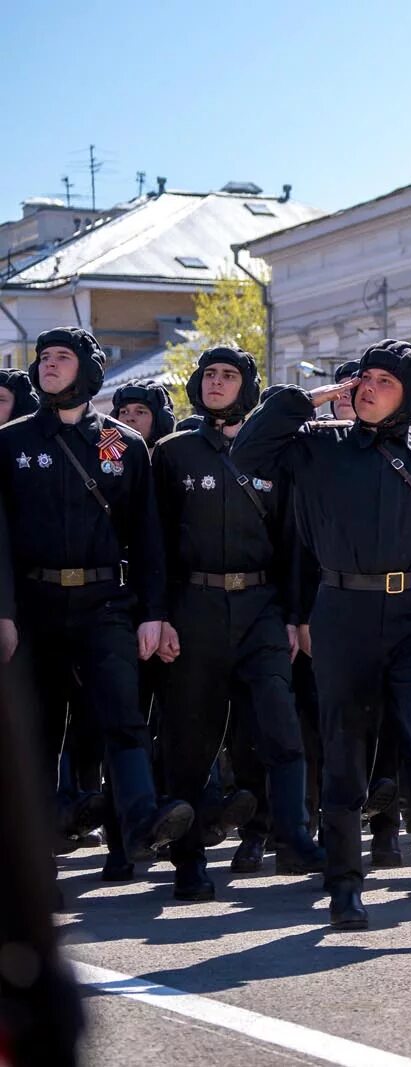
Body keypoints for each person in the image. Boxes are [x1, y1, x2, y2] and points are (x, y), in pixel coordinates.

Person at [231, 338, 411, 929]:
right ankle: (344, 884)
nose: (367, 389)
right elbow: (248, 451)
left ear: (409, 396)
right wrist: (307, 398)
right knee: (346, 749)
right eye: (363, 379)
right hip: (344, 610)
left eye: (384, 382)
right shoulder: (316, 445)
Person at [0, 327, 193, 865]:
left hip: (105, 603)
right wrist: (3, 612)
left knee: (121, 713)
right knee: (38, 730)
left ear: (88, 370)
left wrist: (154, 613)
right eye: (43, 357)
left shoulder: (122, 445)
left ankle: (141, 819)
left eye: (62, 358)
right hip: (34, 608)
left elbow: (148, 538)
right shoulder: (10, 442)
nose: (49, 365)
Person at [150, 346, 325, 900]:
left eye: (229, 375)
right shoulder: (173, 453)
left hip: (261, 609)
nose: (216, 383)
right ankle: (189, 861)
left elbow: (293, 542)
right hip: (193, 610)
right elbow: (154, 544)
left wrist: (296, 616)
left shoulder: (275, 457)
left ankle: (293, 835)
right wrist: (158, 616)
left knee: (280, 728)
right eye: (209, 375)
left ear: (247, 388)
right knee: (191, 740)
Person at [110, 380, 176, 445]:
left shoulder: (180, 455)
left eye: (140, 412)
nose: (129, 418)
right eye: (124, 412)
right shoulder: (105, 454)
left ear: (160, 421)